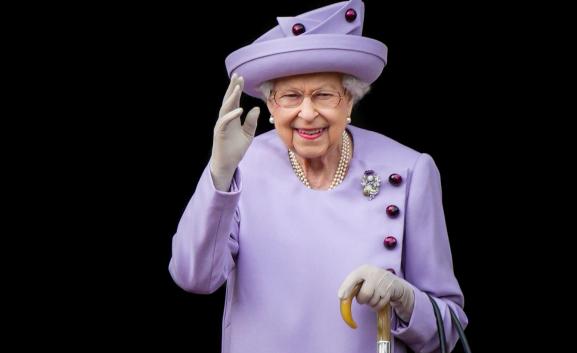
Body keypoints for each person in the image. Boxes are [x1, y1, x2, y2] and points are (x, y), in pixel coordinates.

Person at [169, 1, 467, 352]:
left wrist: (405, 299)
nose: (307, 114)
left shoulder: (409, 170)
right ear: (270, 105)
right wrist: (220, 173)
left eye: (324, 95)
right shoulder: (243, 167)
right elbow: (194, 278)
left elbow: (447, 331)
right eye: (291, 96)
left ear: (350, 101)